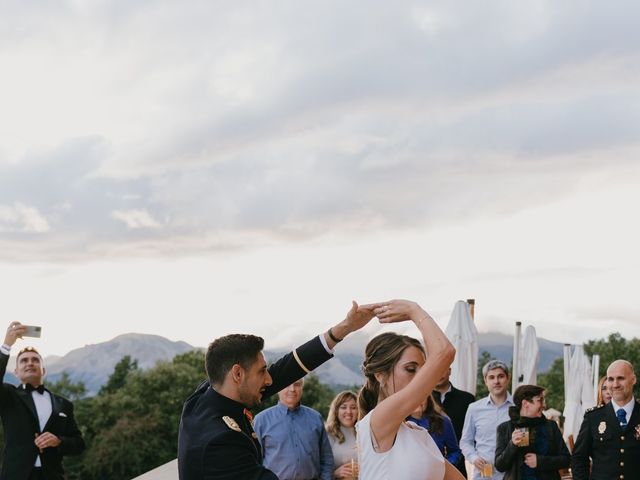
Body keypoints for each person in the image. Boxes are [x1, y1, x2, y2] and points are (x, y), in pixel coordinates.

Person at [177, 301, 375, 480]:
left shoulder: (204, 397)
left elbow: (283, 372)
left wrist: (343, 329)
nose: (269, 379)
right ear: (237, 374)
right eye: (262, 371)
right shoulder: (221, 442)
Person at [356, 299, 463, 480]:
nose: (421, 378)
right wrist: (413, 310)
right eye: (411, 369)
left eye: (423, 371)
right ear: (380, 375)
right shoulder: (379, 418)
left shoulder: (416, 432)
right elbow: (445, 352)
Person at [0, 322, 85, 480]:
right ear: (16, 372)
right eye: (24, 361)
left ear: (43, 370)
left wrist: (59, 441)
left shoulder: (64, 404)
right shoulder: (8, 395)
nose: (30, 363)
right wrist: (6, 346)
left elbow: (79, 444)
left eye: (35, 360)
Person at [571, 359, 640, 480]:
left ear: (633, 380)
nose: (615, 384)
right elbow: (579, 458)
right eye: (610, 379)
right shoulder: (593, 417)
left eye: (621, 378)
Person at [253, 378, 334, 480]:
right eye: (287, 384)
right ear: (278, 389)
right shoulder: (261, 420)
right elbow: (254, 462)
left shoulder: (315, 418)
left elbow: (327, 458)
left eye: (297, 384)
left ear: (302, 388)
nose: (292, 389)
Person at [494, 384, 570, 480]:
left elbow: (566, 459)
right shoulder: (504, 428)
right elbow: (500, 466)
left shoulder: (551, 426)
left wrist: (540, 461)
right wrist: (512, 445)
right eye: (540, 400)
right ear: (525, 403)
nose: (544, 405)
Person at [460, 360, 514, 480]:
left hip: (513, 474)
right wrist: (474, 458)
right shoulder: (474, 408)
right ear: (485, 381)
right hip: (484, 475)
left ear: (508, 378)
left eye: (500, 376)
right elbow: (465, 442)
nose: (496, 381)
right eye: (491, 377)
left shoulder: (518, 407)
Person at [433, 367, 475, 476]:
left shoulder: (467, 399)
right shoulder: (421, 400)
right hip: (428, 467)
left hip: (458, 465)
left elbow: (473, 433)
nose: (439, 374)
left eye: (442, 369)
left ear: (450, 370)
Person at [408, 394, 462, 467]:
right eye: (413, 397)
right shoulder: (397, 425)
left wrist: (445, 467)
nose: (418, 400)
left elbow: (455, 452)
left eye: (422, 396)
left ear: (428, 398)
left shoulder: (443, 421)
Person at [325, 390, 359, 479]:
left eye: (353, 407)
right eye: (343, 407)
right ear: (336, 411)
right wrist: (334, 474)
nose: (348, 411)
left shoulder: (364, 433)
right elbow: (318, 466)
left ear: (359, 410)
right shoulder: (327, 434)